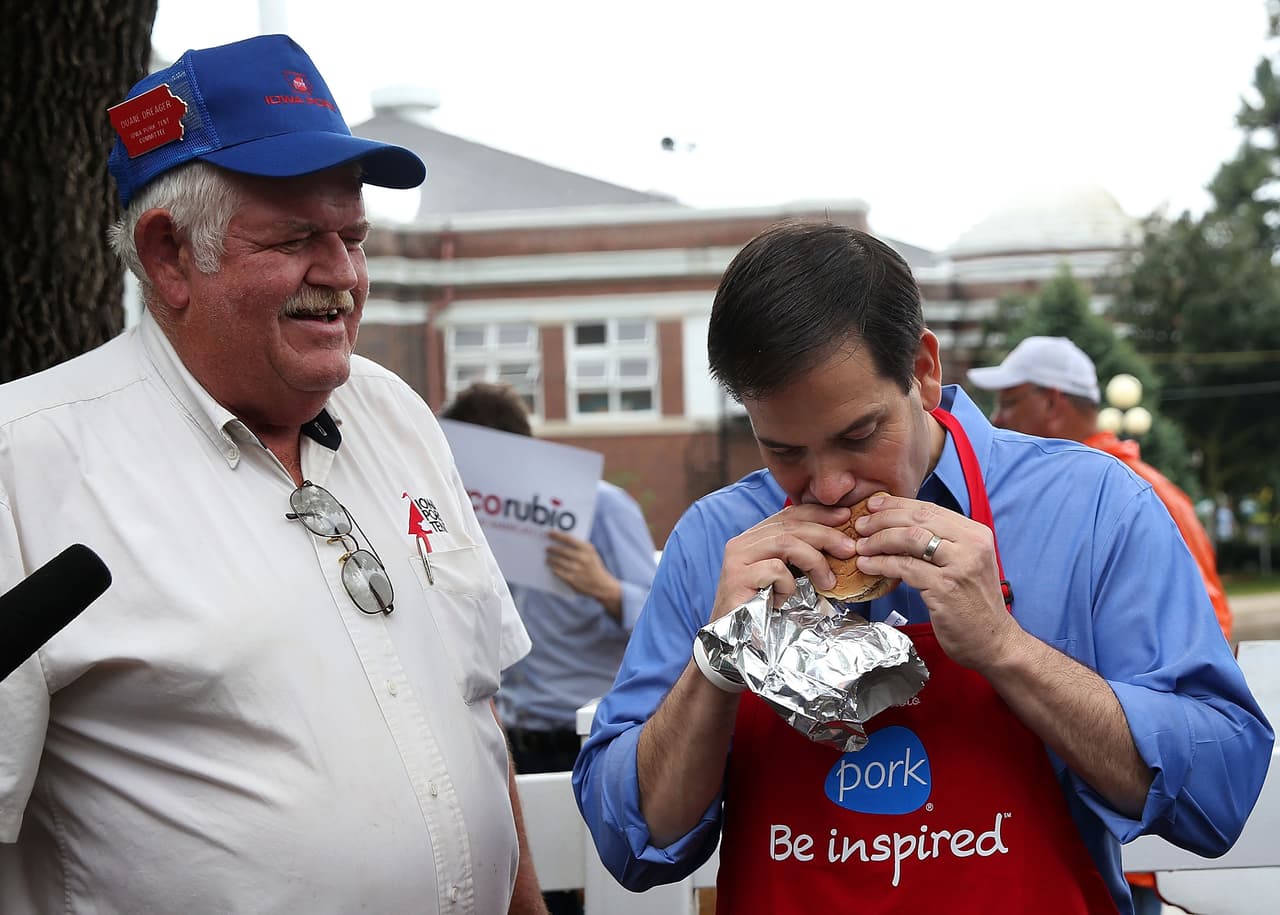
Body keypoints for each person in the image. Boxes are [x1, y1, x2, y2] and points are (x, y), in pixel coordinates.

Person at [571, 222, 1273, 914]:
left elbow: (1219, 793)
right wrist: (716, 665)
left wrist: (1007, 649)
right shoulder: (714, 541)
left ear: (925, 369)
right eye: (784, 449)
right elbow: (628, 841)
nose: (828, 485)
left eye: (858, 435)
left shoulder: (1094, 507)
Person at [0, 35, 548, 914]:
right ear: (171, 256)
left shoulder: (397, 415)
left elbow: (473, 712)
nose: (341, 275)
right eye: (297, 239)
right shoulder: (24, 460)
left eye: (353, 237)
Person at [967, 335, 1235, 913]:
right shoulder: (1092, 490)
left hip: (1126, 838)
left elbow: (1209, 638)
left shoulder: (1123, 495)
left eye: (1009, 403)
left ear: (1052, 404)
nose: (996, 420)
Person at [443, 382, 658, 915]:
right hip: (509, 738)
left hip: (587, 734)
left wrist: (603, 586)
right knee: (531, 886)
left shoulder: (604, 508)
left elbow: (665, 622)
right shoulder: (461, 518)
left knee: (600, 886)